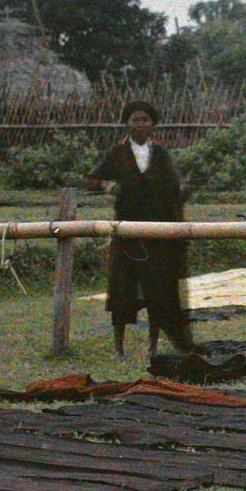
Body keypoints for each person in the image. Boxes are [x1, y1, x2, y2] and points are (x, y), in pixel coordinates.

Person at [84, 100, 196, 358]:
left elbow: (173, 188)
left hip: (157, 230)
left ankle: (152, 347)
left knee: (158, 288)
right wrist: (107, 186)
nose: (140, 124)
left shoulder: (161, 154)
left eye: (145, 119)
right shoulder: (116, 153)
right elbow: (89, 179)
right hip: (126, 229)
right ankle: (119, 349)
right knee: (122, 288)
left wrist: (181, 196)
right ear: (127, 123)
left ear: (152, 124)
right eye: (135, 119)